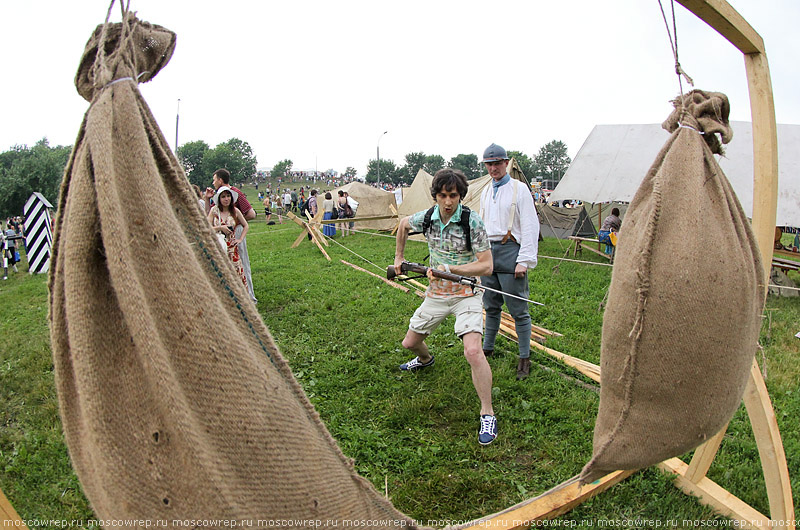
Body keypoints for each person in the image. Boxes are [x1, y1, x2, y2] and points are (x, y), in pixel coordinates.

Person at [394, 168, 497, 445]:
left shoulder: (471, 222)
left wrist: (450, 268)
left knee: (473, 351)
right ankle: (427, 360)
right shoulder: (428, 217)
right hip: (436, 294)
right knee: (409, 343)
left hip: (467, 294)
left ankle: (487, 412)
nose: (448, 201)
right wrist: (399, 258)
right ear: (435, 196)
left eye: (453, 195)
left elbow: (487, 265)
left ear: (460, 195)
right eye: (442, 195)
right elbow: (403, 224)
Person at [479, 143, 540, 380]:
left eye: (497, 163)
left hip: (511, 250)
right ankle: (488, 348)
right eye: (489, 164)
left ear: (506, 163)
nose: (493, 168)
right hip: (488, 251)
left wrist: (523, 260)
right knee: (491, 304)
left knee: (518, 308)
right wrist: (478, 254)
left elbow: (530, 225)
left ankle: (524, 357)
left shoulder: (519, 189)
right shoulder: (486, 190)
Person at [204, 168, 257, 302]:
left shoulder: (236, 194)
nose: (213, 182)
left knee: (241, 267)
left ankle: (248, 297)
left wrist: (234, 226)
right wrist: (207, 199)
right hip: (219, 243)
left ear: (220, 180)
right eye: (223, 197)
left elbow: (251, 214)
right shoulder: (215, 206)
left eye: (215, 179)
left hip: (234, 238)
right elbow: (207, 220)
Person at [208, 186, 249, 289]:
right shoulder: (214, 211)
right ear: (219, 199)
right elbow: (206, 228)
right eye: (223, 197)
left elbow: (246, 225)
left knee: (236, 275)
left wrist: (240, 239)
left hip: (232, 248)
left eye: (228, 196)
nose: (226, 199)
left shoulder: (235, 211)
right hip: (219, 247)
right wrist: (220, 227)